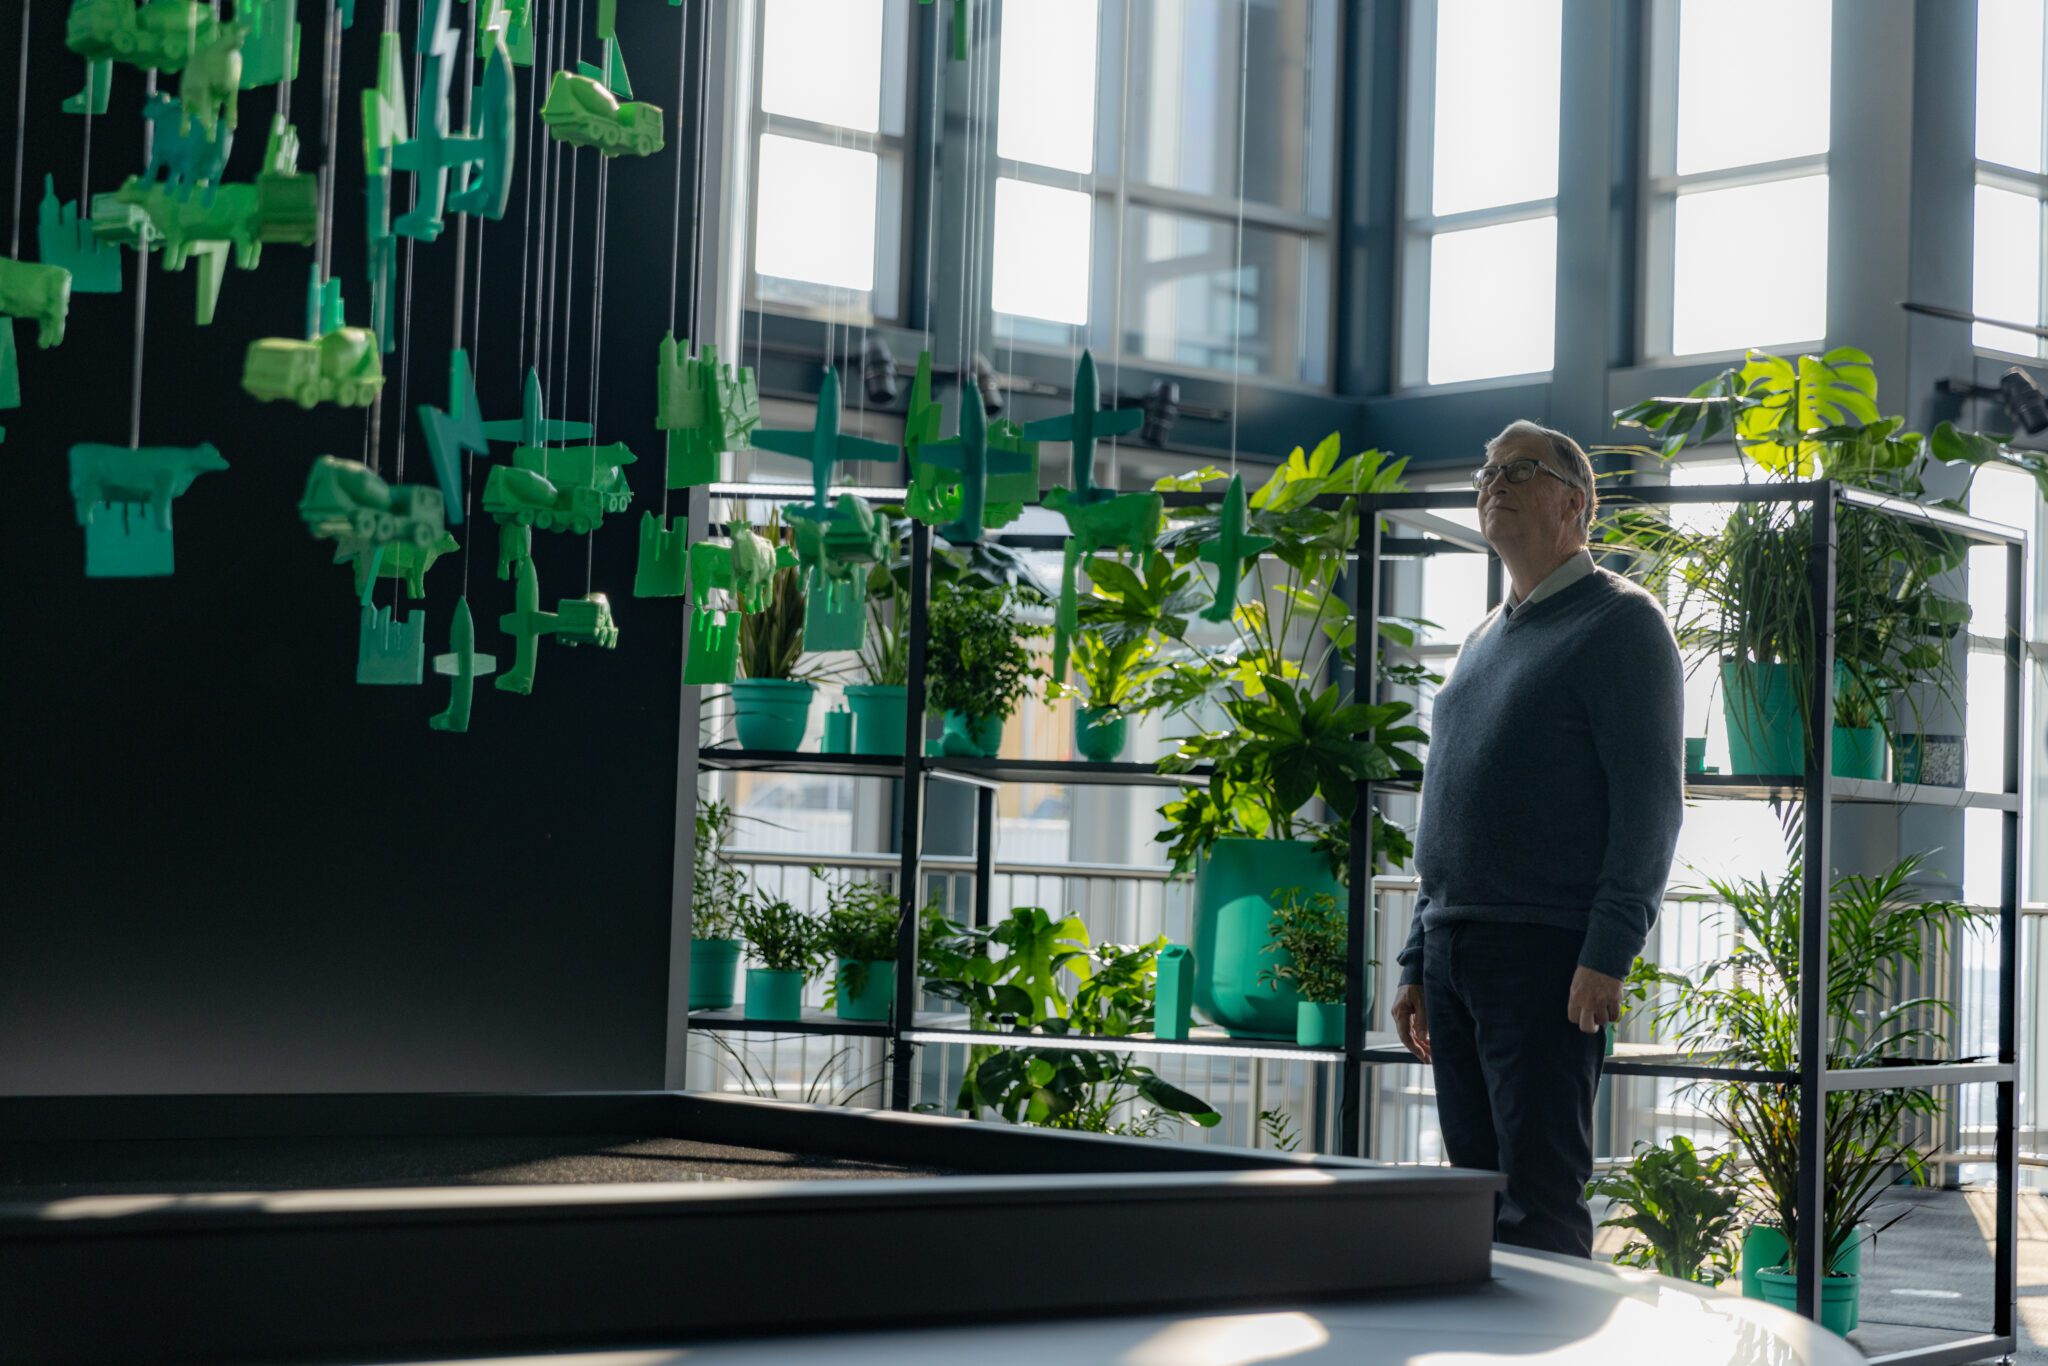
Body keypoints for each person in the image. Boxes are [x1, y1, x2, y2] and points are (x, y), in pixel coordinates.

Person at [1390, 419, 1684, 1258]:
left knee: (1543, 1203)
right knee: (1473, 1200)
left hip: (1547, 959)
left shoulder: (1623, 625)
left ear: (1576, 505)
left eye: (1519, 470)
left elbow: (1650, 804)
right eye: (1487, 470)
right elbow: (1444, 812)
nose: (1493, 482)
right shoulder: (1482, 639)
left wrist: (1609, 951)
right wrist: (1417, 957)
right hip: (1454, 953)